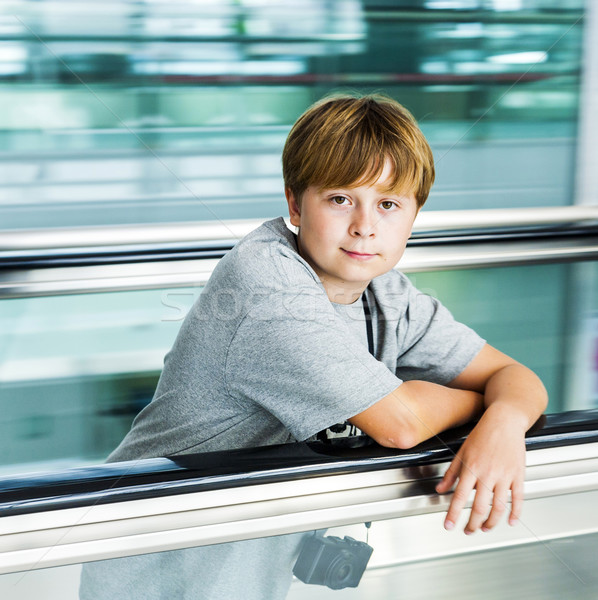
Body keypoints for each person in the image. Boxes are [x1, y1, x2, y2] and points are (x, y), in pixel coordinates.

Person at [79, 93, 548, 599]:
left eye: (388, 204)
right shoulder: (264, 283)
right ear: (294, 204)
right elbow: (402, 425)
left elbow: (518, 378)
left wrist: (502, 425)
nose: (365, 225)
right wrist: (478, 402)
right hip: (157, 567)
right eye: (341, 198)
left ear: (414, 217)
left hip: (247, 565)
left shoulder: (386, 293)